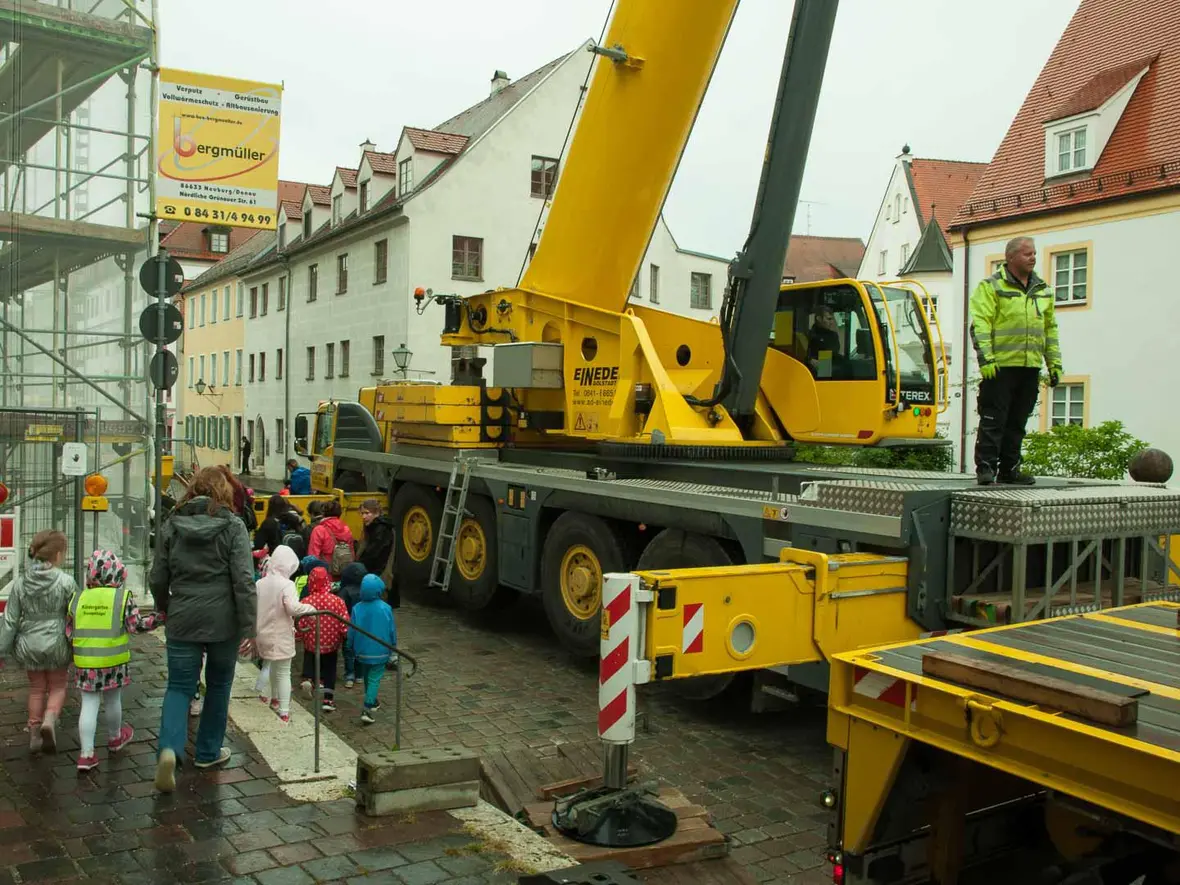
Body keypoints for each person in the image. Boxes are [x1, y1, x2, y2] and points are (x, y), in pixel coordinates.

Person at [150, 466, 255, 792]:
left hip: (183, 615)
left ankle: (169, 748)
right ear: (223, 492)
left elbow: (157, 576)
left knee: (179, 686)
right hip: (224, 621)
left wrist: (166, 606)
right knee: (219, 684)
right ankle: (208, 752)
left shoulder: (171, 525)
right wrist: (249, 626)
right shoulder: (233, 526)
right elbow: (244, 580)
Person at [970, 236, 1063, 486]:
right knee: (993, 419)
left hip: (1029, 366)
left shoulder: (1042, 290)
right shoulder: (991, 286)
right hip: (1000, 367)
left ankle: (1010, 469)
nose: (1033, 258)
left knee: (1018, 422)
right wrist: (986, 360)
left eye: (1034, 253)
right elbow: (980, 325)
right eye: (1027, 253)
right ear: (1010, 258)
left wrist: (1054, 364)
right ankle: (986, 468)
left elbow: (1050, 329)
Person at [70, 550, 164, 772]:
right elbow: (136, 626)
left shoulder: (78, 598)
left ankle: (86, 755)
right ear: (117, 573)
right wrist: (158, 619)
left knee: (89, 705)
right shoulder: (122, 597)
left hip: (85, 662)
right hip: (113, 662)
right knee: (112, 701)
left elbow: (69, 630)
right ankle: (115, 738)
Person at [0, 529, 75, 753]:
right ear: (58, 555)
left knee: (36, 689)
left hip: (29, 644)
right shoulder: (66, 582)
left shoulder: (21, 583)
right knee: (58, 686)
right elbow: (76, 614)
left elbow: (10, 620)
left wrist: (1, 650)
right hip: (57, 642)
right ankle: (49, 720)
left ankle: (34, 732)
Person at [252, 545, 316, 724]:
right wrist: (310, 609)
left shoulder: (260, 583)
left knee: (271, 666)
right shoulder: (287, 584)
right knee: (283, 672)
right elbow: (292, 608)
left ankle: (273, 698)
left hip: (262, 633)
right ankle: (284, 710)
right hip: (280, 635)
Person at [296, 567, 349, 712]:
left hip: (312, 642)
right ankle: (328, 700)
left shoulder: (306, 601)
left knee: (311, 659)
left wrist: (300, 636)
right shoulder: (337, 601)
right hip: (331, 643)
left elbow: (300, 624)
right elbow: (344, 624)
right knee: (330, 671)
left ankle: (309, 679)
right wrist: (345, 636)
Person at [348, 574, 397, 725]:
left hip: (362, 651)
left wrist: (350, 645)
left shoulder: (357, 608)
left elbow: (351, 631)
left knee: (367, 676)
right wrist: (393, 646)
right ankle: (367, 708)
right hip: (381, 651)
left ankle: (372, 699)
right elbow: (391, 630)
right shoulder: (386, 608)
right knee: (374, 678)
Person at [357, 498, 398, 607]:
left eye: (367, 513)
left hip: (380, 575)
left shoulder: (382, 529)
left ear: (376, 513)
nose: (364, 517)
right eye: (362, 513)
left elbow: (374, 554)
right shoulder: (373, 527)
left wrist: (359, 567)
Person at [337, 563, 367, 688]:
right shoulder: (365, 590)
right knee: (360, 651)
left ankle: (350, 675)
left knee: (348, 652)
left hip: (348, 626)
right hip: (362, 627)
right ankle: (360, 675)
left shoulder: (344, 591)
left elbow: (339, 608)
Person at [308, 499, 355, 577]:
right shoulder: (346, 529)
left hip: (325, 575)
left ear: (323, 513)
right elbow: (351, 553)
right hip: (343, 574)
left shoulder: (319, 530)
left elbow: (313, 557)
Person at [807, 304, 842, 376]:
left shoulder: (833, 336)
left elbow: (834, 355)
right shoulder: (809, 336)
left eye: (832, 319)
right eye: (829, 319)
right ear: (819, 319)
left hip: (832, 373)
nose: (832, 322)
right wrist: (810, 360)